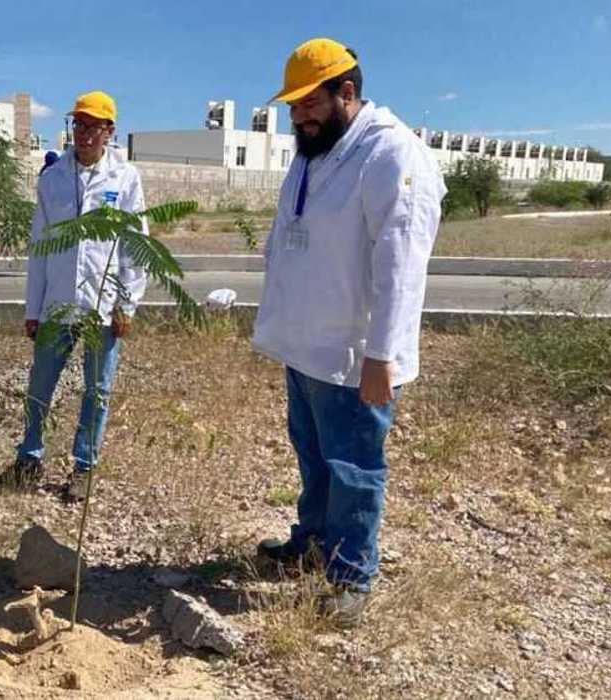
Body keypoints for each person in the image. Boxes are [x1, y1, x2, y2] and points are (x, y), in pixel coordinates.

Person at [250, 38, 447, 625]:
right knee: (312, 457)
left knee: (353, 468)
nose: (299, 116)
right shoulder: (315, 151)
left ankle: (351, 578)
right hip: (305, 345)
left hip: (354, 354)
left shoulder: (391, 154)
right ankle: (311, 543)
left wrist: (382, 356)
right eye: (293, 106)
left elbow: (402, 264)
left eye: (310, 103)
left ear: (348, 92)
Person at [0, 90, 148, 503]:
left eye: (93, 125)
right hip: (57, 303)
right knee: (39, 384)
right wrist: (33, 308)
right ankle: (29, 459)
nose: (84, 132)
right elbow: (39, 247)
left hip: (102, 306)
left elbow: (135, 245)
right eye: (78, 123)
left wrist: (126, 303)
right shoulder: (53, 178)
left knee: (97, 390)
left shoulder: (125, 178)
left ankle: (84, 467)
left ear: (109, 131)